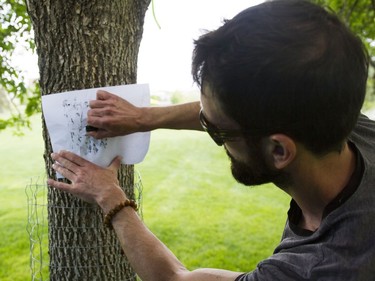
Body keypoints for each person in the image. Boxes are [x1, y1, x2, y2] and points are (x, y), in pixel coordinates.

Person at [47, 0, 375, 280]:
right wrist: (143, 117)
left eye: (216, 130)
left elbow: (175, 278)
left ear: (279, 149)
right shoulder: (333, 114)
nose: (209, 130)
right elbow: (247, 117)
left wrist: (110, 197)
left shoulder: (323, 268)